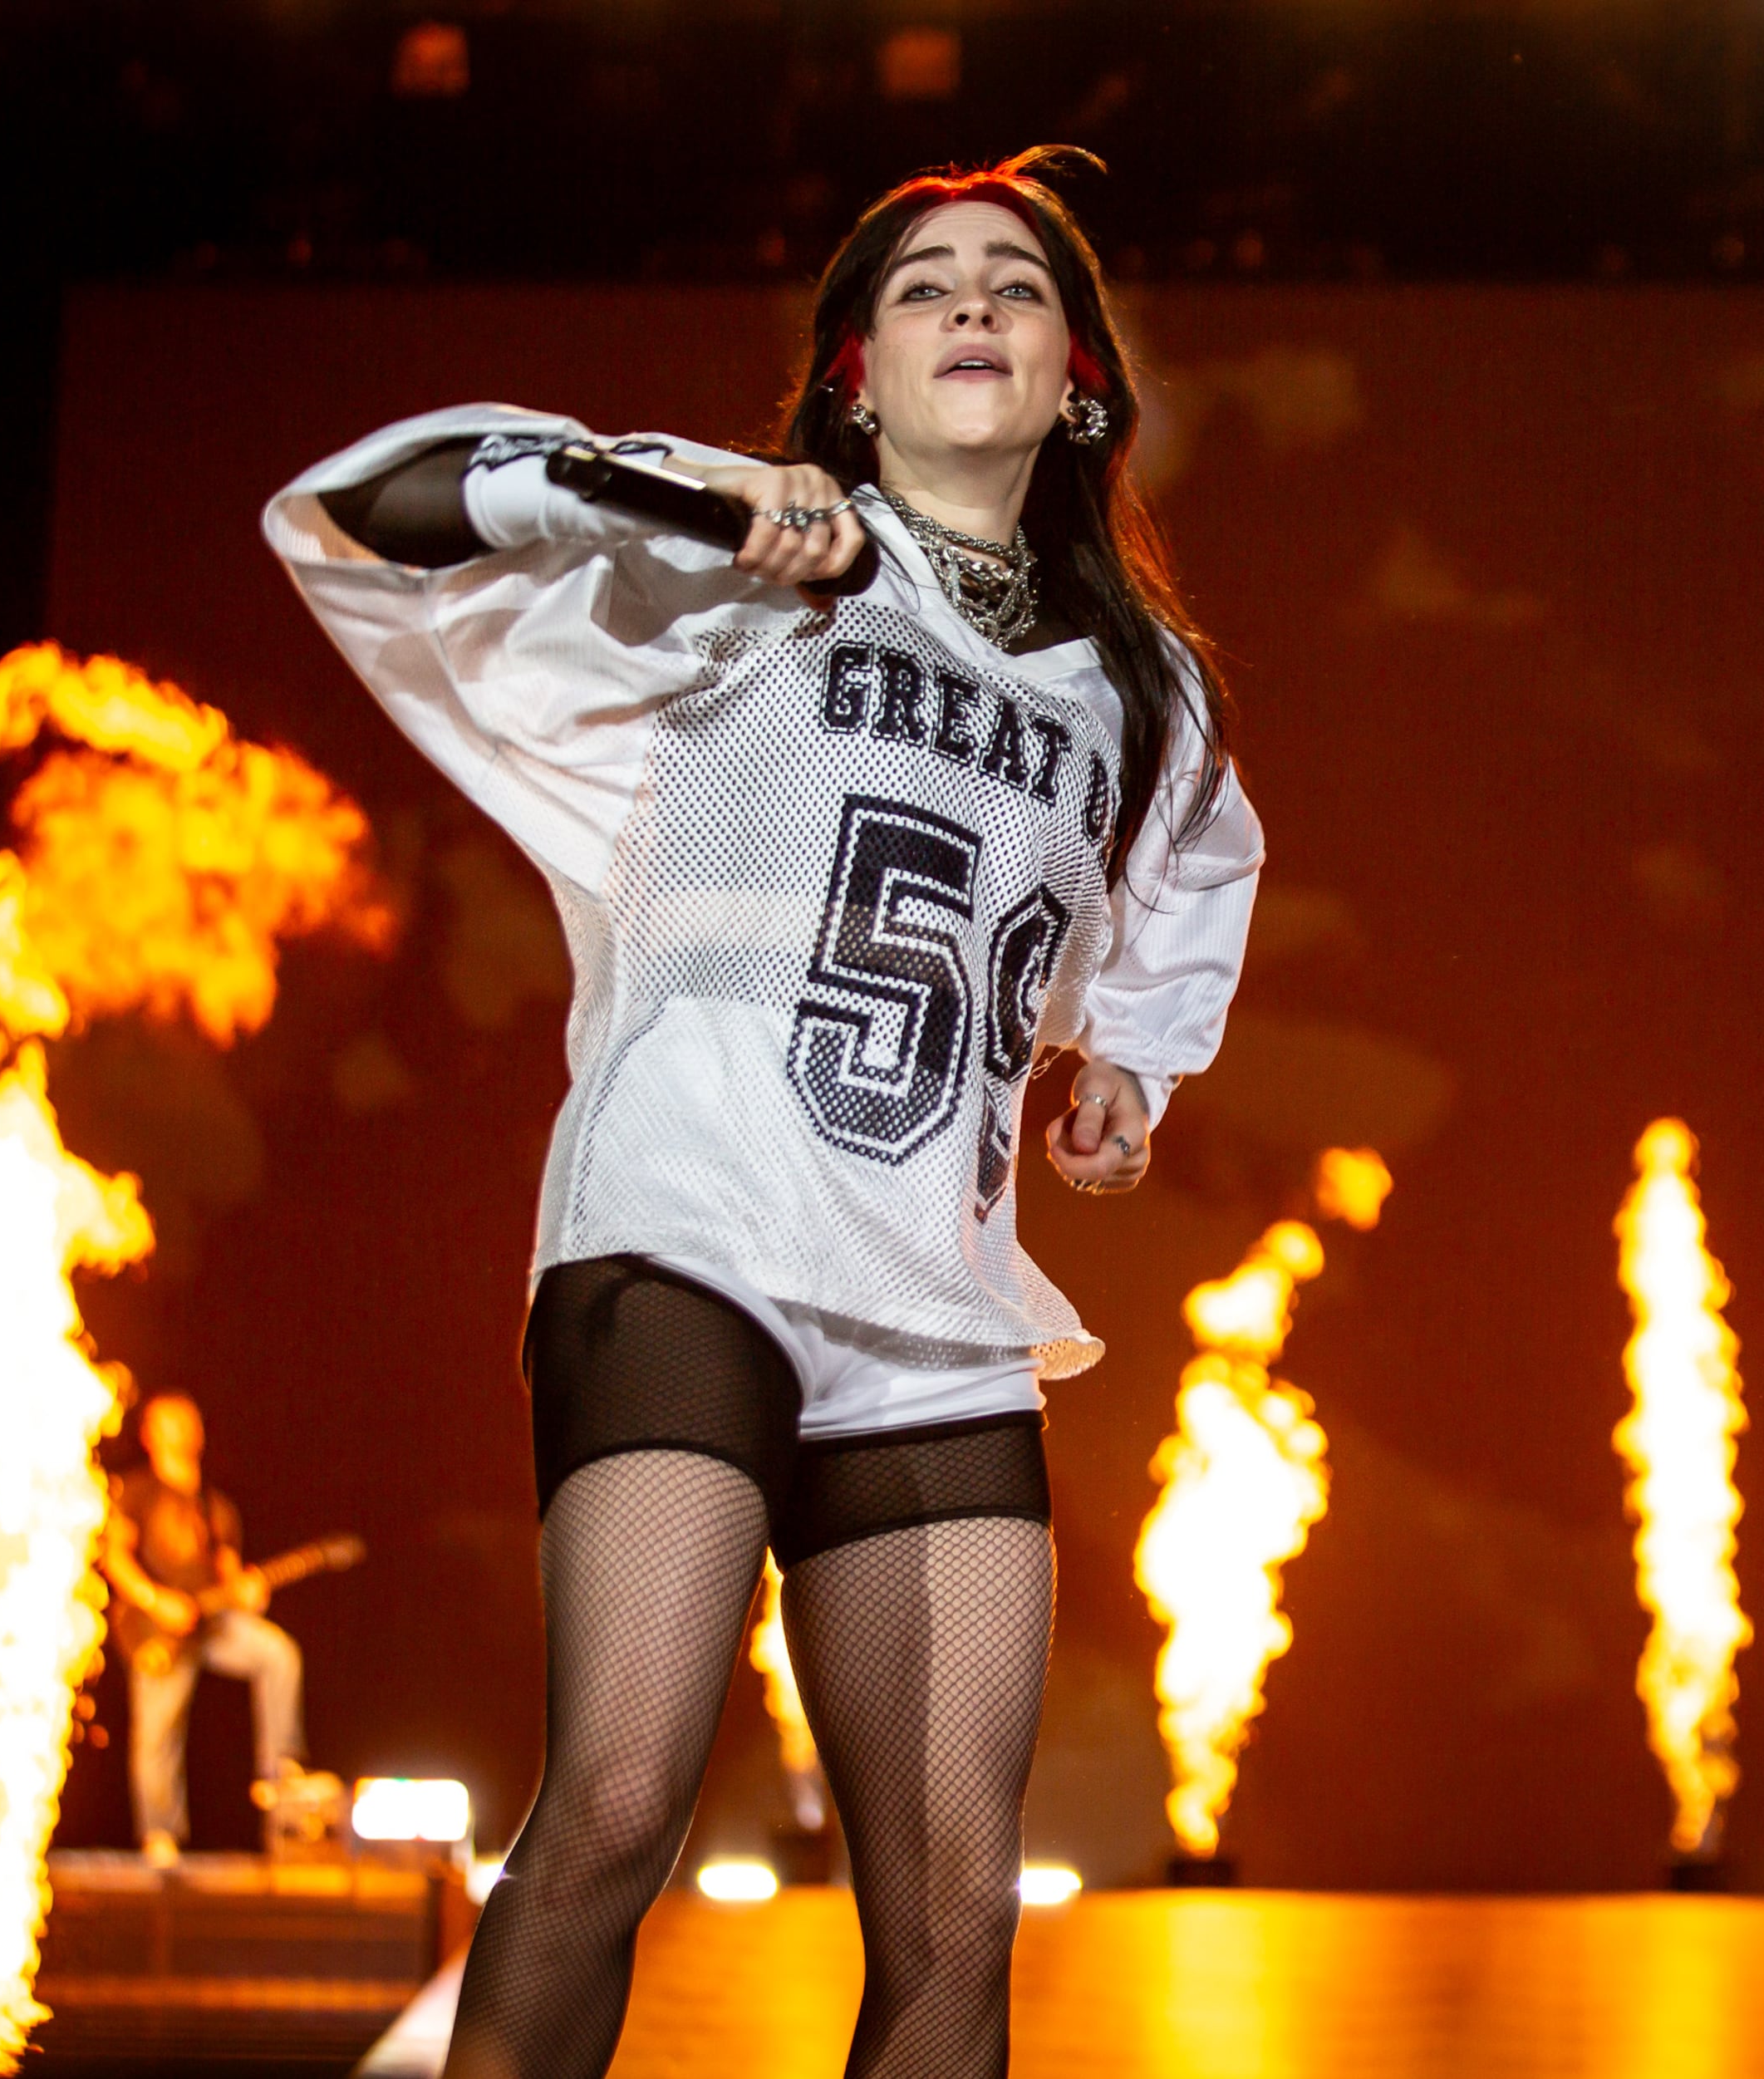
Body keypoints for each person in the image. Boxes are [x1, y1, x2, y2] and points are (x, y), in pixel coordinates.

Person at [263, 146, 1259, 2079]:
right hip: (686, 1230)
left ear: (1078, 381)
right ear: (849, 379)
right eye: (920, 286)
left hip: (935, 1308)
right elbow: (360, 511)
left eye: (1016, 284)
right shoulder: (743, 546)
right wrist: (646, 486)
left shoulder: (1138, 688)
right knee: (621, 1797)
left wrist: (1129, 1056)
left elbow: (1194, 865)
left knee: (961, 1906)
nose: (970, 303)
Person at [100, 1392, 322, 1868]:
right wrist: (157, 1601)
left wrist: (247, 1593)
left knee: (277, 1654)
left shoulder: (216, 1506)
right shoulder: (137, 1492)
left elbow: (229, 1573)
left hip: (211, 1623)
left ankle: (278, 1768)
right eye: (172, 1421)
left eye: (190, 1420)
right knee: (157, 1733)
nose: (184, 1428)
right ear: (150, 1434)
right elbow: (114, 1558)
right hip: (156, 1628)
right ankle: (160, 1834)